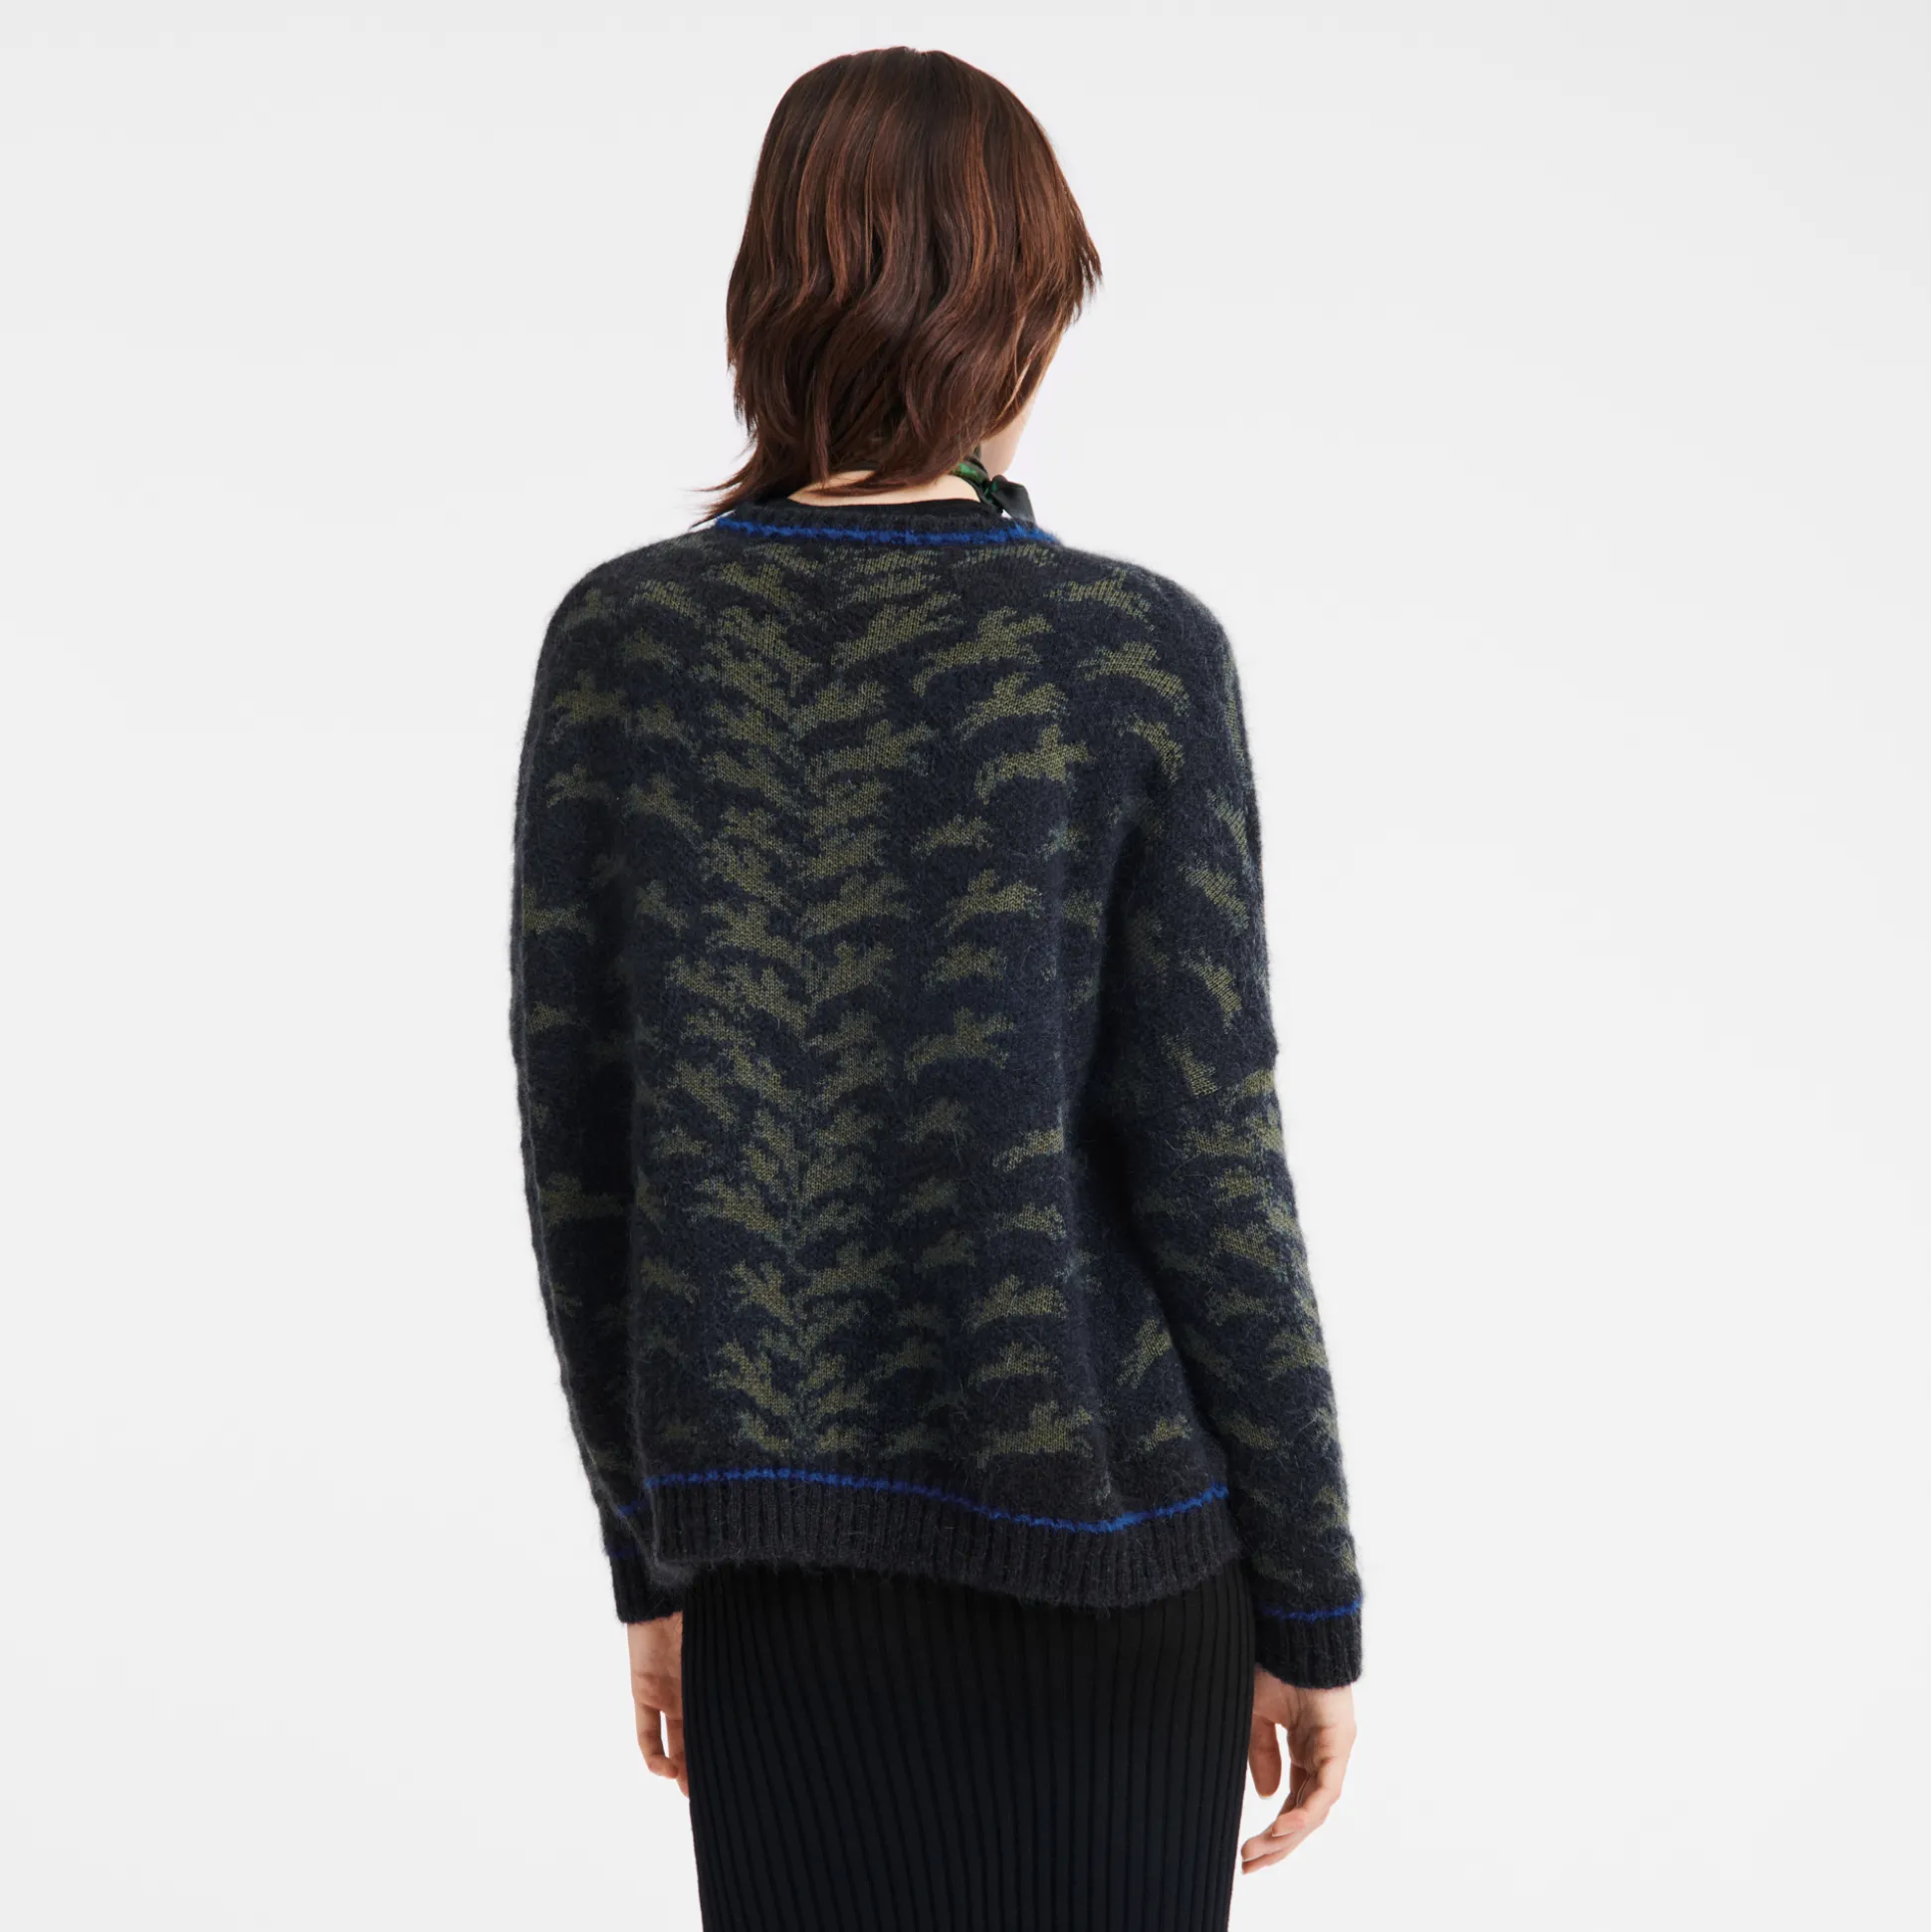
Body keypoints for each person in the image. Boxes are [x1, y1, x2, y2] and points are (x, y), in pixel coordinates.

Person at [509, 45, 1365, 1932]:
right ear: (1020, 314)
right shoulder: (1135, 651)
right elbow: (1211, 1160)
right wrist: (1312, 1601)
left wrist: (655, 1556)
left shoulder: (625, 642)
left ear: (770, 295)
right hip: (1120, 1569)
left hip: (777, 1572)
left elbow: (585, 1159)